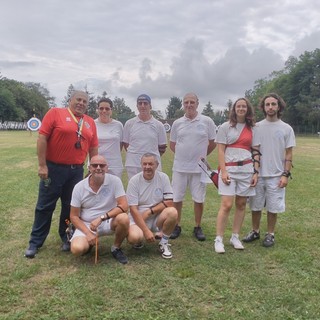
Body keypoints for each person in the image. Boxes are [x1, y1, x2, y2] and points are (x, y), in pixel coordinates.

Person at [24, 90, 99, 258]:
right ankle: (35, 242)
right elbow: (42, 139)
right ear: (70, 100)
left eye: (84, 101)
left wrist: (93, 169)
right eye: (78, 100)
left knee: (70, 207)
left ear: (87, 105)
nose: (81, 103)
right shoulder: (55, 113)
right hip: (53, 169)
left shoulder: (89, 122)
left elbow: (93, 148)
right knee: (45, 206)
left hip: (76, 171)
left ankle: (66, 237)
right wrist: (42, 165)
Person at [243, 93, 296, 247]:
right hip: (258, 175)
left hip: (276, 175)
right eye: (267, 104)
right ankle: (255, 231)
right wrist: (254, 172)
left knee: (273, 207)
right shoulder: (257, 127)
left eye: (273, 104)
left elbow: (289, 153)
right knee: (255, 205)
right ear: (263, 107)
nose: (270, 107)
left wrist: (285, 174)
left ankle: (270, 234)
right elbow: (255, 150)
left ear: (278, 106)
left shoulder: (286, 128)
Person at [214, 98, 260, 254]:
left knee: (241, 204)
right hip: (230, 170)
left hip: (246, 170)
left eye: (244, 106)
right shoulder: (225, 127)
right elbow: (220, 150)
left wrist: (256, 171)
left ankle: (235, 237)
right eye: (238, 106)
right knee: (226, 205)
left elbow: (256, 151)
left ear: (248, 109)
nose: (241, 108)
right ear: (234, 109)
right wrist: (223, 170)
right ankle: (219, 239)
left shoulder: (253, 128)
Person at [169, 93, 217, 241]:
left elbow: (212, 142)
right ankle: (176, 225)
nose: (189, 105)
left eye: (192, 102)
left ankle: (197, 226)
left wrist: (202, 157)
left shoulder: (207, 121)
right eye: (186, 102)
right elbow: (172, 145)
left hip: (199, 169)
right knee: (177, 198)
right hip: (179, 168)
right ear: (183, 104)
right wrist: (185, 155)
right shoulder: (177, 123)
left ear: (197, 103)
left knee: (198, 199)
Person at [70, 155, 129, 264]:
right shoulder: (79, 187)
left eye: (102, 165)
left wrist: (102, 218)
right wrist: (88, 233)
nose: (98, 168)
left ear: (107, 168)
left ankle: (116, 248)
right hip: (87, 224)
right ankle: (88, 241)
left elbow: (124, 206)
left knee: (124, 218)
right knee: (77, 249)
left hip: (108, 221)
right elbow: (73, 216)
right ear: (89, 167)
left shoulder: (115, 181)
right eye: (94, 165)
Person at [126, 153, 178, 259]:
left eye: (151, 164)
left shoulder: (163, 178)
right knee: (134, 238)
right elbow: (133, 209)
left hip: (155, 217)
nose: (147, 167)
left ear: (157, 165)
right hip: (138, 218)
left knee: (173, 212)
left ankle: (163, 243)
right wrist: (145, 230)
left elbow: (169, 202)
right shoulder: (134, 181)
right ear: (141, 165)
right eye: (144, 164)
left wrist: (150, 211)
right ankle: (139, 239)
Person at [123, 94, 167, 180]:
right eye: (140, 103)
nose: (142, 106)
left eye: (145, 103)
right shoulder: (129, 123)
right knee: (134, 191)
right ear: (137, 106)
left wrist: (150, 159)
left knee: (153, 190)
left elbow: (162, 147)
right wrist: (136, 154)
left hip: (152, 164)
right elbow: (126, 144)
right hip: (133, 164)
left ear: (150, 106)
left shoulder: (159, 125)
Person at [92, 97, 124, 178]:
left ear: (111, 110)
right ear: (97, 110)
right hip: (97, 165)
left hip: (115, 165)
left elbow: (120, 144)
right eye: (101, 108)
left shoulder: (118, 125)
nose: (104, 111)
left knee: (114, 189)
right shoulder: (92, 124)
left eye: (107, 108)